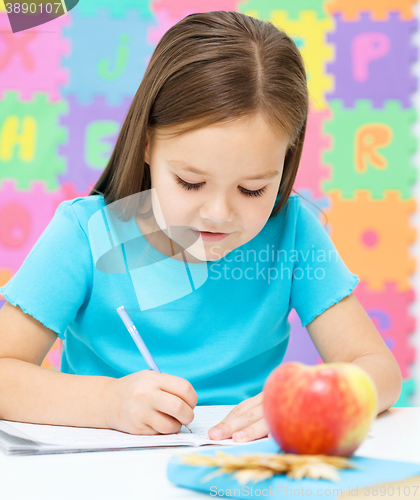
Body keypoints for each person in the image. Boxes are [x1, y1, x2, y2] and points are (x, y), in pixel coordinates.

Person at [0, 11, 401, 443]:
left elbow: (377, 368)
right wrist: (108, 402)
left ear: (285, 163)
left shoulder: (294, 234)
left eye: (252, 189)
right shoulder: (85, 234)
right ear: (148, 143)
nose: (218, 214)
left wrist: (318, 402)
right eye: (190, 182)